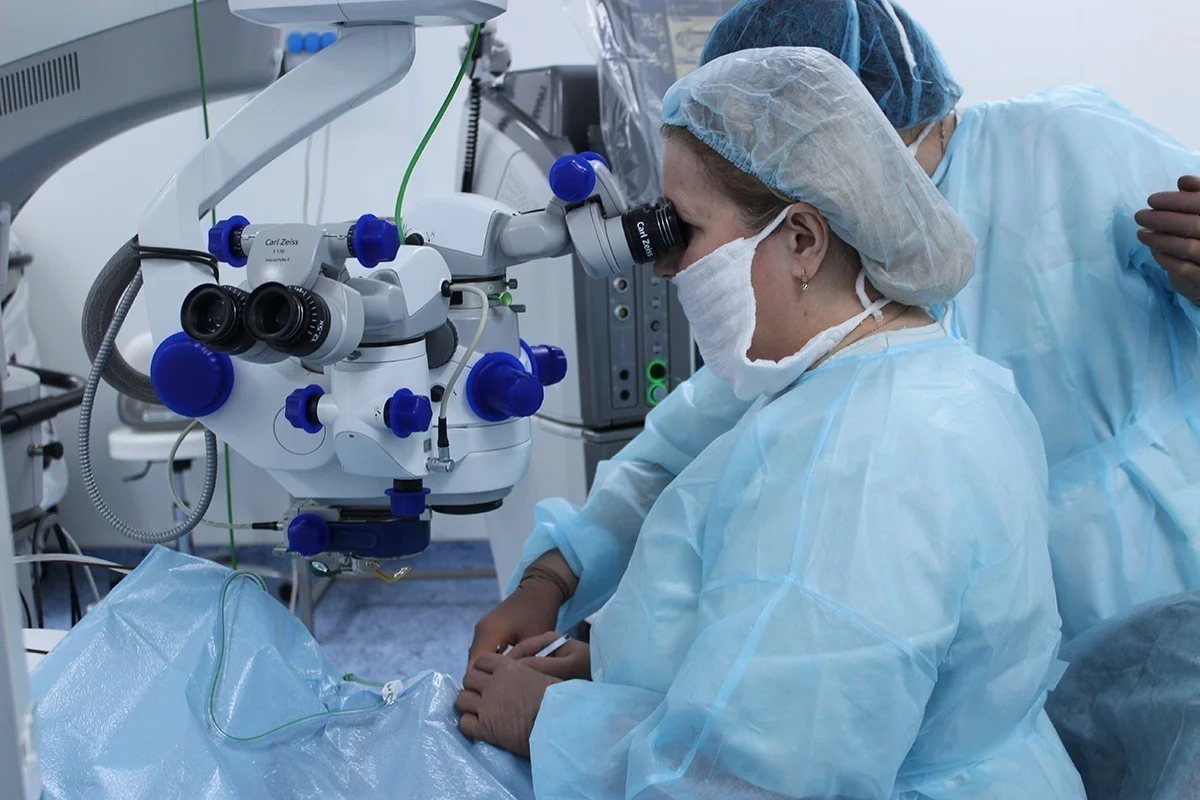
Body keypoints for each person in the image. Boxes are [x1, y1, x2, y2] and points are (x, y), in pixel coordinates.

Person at [471, 0, 1200, 658]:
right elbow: (686, 442)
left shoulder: (1069, 149)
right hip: (996, 647)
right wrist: (555, 575)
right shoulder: (836, 277)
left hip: (1168, 582)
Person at [457, 46, 1085, 797]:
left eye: (687, 229)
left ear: (802, 240)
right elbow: (805, 652)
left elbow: (757, 781)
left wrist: (552, 721)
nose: (664, 266)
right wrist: (626, 661)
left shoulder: (861, 462)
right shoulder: (910, 372)